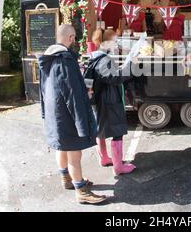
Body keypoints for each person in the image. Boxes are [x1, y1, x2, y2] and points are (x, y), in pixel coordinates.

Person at [37, 24, 106, 204]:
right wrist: (82, 118)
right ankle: (81, 190)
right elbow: (72, 92)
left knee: (62, 147)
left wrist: (45, 112)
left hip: (55, 112)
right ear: (70, 38)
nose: (75, 41)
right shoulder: (65, 59)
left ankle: (66, 179)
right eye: (74, 37)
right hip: (67, 113)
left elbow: (43, 89)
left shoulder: (48, 57)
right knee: (74, 154)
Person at [84, 29, 136, 175]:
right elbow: (115, 78)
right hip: (109, 100)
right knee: (117, 130)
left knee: (100, 129)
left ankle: (104, 158)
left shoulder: (94, 57)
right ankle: (119, 167)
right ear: (105, 42)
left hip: (99, 99)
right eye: (114, 40)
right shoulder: (104, 60)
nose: (116, 43)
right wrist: (130, 64)